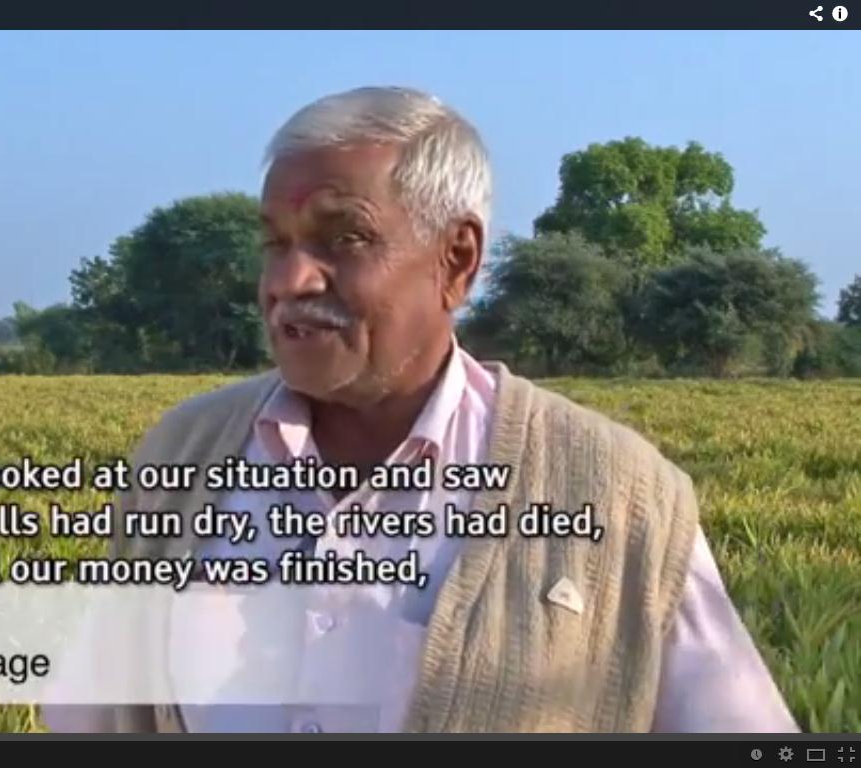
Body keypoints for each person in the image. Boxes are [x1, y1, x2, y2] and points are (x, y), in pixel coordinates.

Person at [42, 86, 798, 733]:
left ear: (457, 259)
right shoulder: (182, 457)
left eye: (346, 238)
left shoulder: (619, 493)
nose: (290, 280)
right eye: (275, 244)